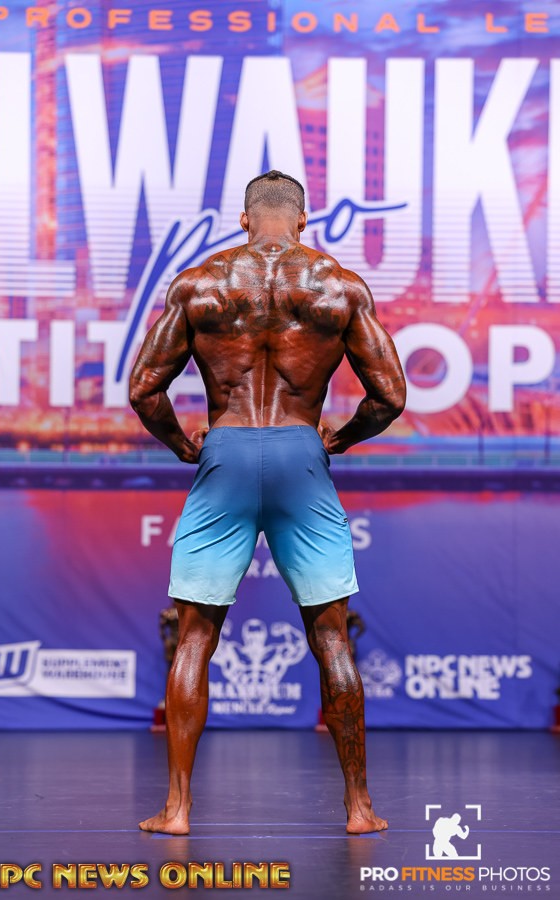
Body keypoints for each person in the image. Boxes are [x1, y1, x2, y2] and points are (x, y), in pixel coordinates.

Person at [129, 170, 406, 835]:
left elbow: (144, 390)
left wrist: (184, 447)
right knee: (331, 634)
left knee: (195, 636)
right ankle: (359, 809)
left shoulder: (199, 285)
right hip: (300, 453)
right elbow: (391, 396)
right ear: (304, 220)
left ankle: (177, 810)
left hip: (226, 450)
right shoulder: (340, 287)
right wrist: (337, 438)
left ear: (245, 218)